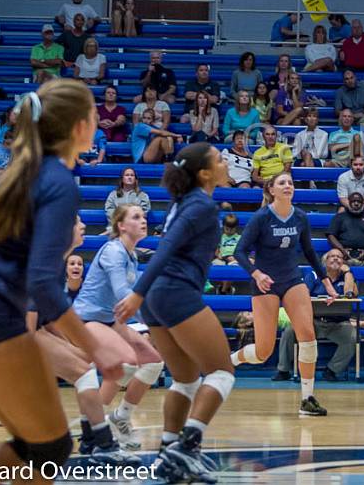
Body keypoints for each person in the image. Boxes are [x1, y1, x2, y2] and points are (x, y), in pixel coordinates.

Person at [0, 80, 127, 481]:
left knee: (33, 445)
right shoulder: (58, 181)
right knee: (49, 447)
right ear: (78, 127)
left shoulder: (23, 174)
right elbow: (41, 280)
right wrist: (93, 347)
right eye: (92, 114)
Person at [113, 143, 234, 483]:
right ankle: (188, 445)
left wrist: (142, 294)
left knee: (185, 378)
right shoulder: (201, 205)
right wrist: (136, 294)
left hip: (157, 296)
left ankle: (169, 453)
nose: (226, 162)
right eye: (219, 159)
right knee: (222, 372)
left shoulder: (183, 202)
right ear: (205, 173)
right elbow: (165, 247)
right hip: (173, 292)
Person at [30, 217, 138, 466]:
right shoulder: (44, 265)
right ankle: (103, 443)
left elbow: (49, 320)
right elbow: (27, 323)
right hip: (14, 334)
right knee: (83, 372)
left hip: (36, 328)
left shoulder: (57, 264)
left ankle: (92, 439)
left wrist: (73, 346)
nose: (82, 226)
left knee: (85, 367)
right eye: (76, 222)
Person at [230, 171, 337, 416]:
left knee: (308, 335)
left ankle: (307, 399)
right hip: (265, 283)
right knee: (263, 351)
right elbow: (239, 252)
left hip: (292, 279)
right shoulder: (261, 218)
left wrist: (327, 283)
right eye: (282, 183)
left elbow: (310, 252)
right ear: (271, 190)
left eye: (290, 182)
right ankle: (231, 360)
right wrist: (256, 274)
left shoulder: (300, 217)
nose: (288, 185)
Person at [74, 204, 164, 450]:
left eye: (144, 216)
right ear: (121, 226)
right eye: (136, 217)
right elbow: (122, 293)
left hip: (110, 319)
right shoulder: (113, 252)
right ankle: (93, 429)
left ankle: (122, 416)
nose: (143, 220)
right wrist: (153, 322)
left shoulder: (131, 254)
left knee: (153, 361)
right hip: (87, 318)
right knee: (124, 363)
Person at [276, 248, 358, 382]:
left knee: (352, 337)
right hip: (312, 322)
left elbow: (352, 295)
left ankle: (332, 370)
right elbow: (302, 296)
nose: (336, 259)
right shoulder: (314, 275)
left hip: (338, 323)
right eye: (332, 256)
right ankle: (283, 370)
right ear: (325, 261)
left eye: (339, 257)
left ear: (344, 262)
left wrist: (348, 272)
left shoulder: (348, 277)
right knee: (290, 331)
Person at [326, 192, 364, 266]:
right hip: (342, 254)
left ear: (363, 203)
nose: (356, 203)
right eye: (353, 201)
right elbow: (331, 235)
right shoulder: (339, 217)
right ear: (349, 202)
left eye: (359, 201)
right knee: (326, 259)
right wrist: (341, 250)